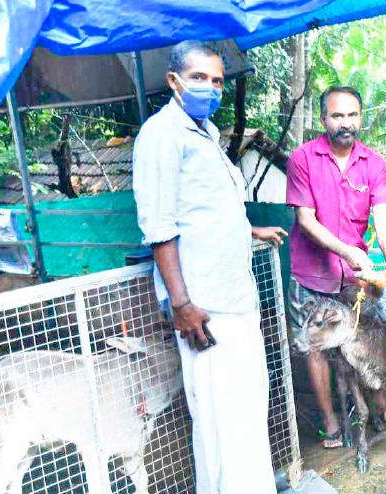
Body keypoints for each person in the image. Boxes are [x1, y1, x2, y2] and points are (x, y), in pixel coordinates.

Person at [132, 40, 286, 493]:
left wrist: (248, 230)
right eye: (200, 78)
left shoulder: (208, 134)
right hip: (205, 306)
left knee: (242, 413)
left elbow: (207, 209)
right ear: (174, 81)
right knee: (225, 418)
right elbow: (160, 226)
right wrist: (181, 303)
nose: (212, 88)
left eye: (218, 81)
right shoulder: (162, 135)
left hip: (233, 297)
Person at [285, 86, 386, 448]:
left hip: (353, 277)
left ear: (360, 118)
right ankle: (330, 422)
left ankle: (384, 407)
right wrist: (348, 251)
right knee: (316, 347)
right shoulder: (303, 158)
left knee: (368, 337)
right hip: (311, 275)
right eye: (337, 115)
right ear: (323, 120)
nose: (345, 123)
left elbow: (382, 215)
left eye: (352, 115)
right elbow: (305, 219)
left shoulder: (375, 164)